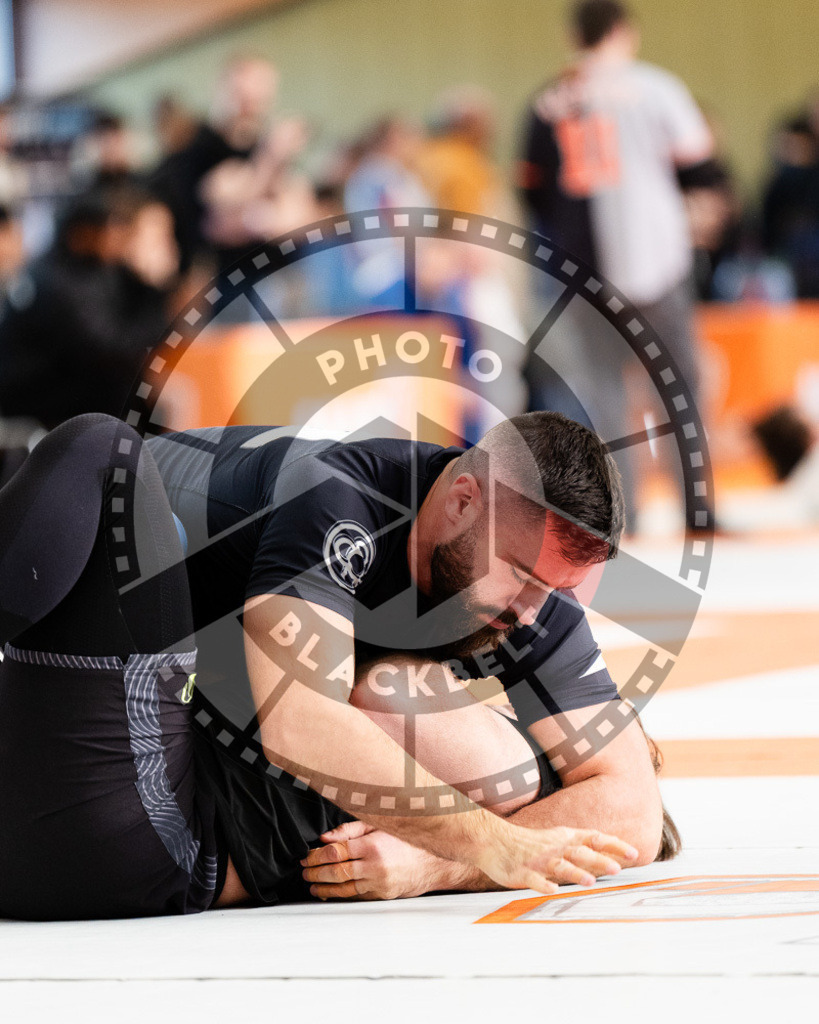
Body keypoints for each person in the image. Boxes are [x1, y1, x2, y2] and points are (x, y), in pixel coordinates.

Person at [0, 410, 656, 920]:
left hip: (137, 818)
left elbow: (634, 810)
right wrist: (477, 845)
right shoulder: (340, 500)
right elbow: (304, 721)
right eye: (519, 576)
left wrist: (451, 858)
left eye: (557, 592)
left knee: (101, 452)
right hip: (112, 742)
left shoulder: (517, 600)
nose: (536, 614)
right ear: (460, 500)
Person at [518, 0, 718, 533]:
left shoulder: (549, 99)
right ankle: (697, 509)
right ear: (624, 33)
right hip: (657, 259)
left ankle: (620, 518)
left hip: (582, 269)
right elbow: (702, 169)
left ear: (575, 36)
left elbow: (530, 189)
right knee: (679, 387)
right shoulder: (655, 87)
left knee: (603, 392)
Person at [0, 186, 179, 429]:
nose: (118, 237)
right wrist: (155, 294)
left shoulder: (93, 269)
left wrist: (148, 283)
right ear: (85, 232)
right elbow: (113, 353)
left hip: (74, 388)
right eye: (111, 228)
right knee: (142, 397)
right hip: (38, 402)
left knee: (163, 394)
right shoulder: (58, 281)